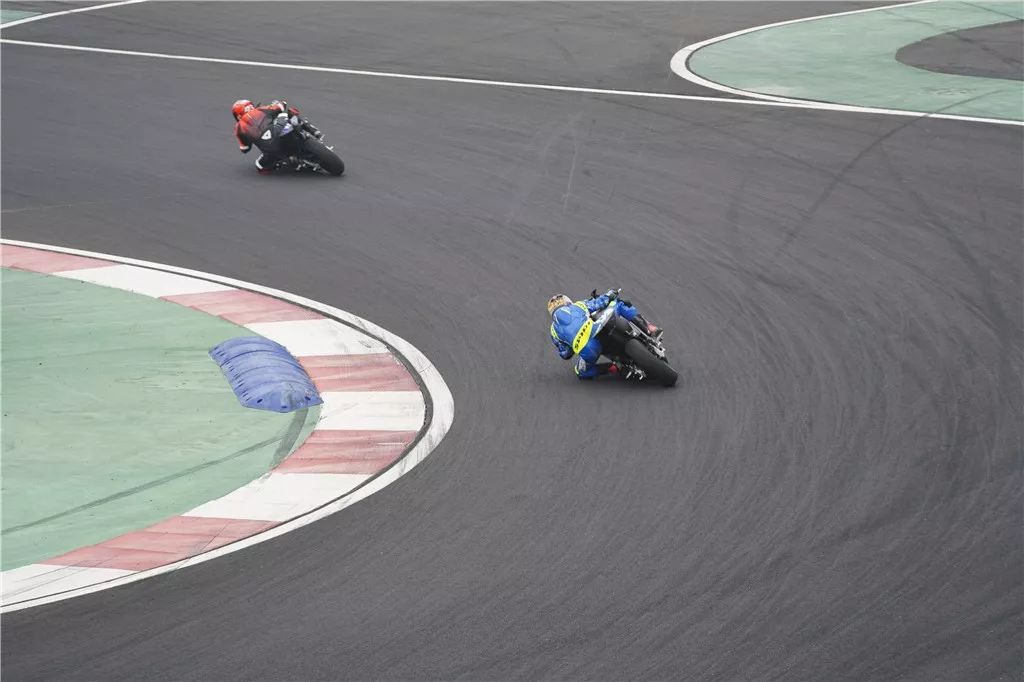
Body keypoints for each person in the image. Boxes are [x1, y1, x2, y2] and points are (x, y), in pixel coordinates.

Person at [547, 290, 662, 379]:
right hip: (598, 327)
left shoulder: (553, 332)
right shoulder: (577, 306)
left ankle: (616, 368)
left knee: (581, 372)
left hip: (589, 350)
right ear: (567, 302)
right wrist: (610, 293)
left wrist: (573, 343)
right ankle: (648, 327)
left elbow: (565, 354)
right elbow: (599, 302)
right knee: (619, 302)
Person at [231, 99, 323, 174]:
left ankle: (283, 162)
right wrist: (277, 103)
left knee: (260, 167)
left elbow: (245, 149)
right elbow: (282, 105)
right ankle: (313, 130)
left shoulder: (238, 128)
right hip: (283, 133)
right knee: (289, 113)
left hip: (271, 150)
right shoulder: (260, 109)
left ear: (238, 115)